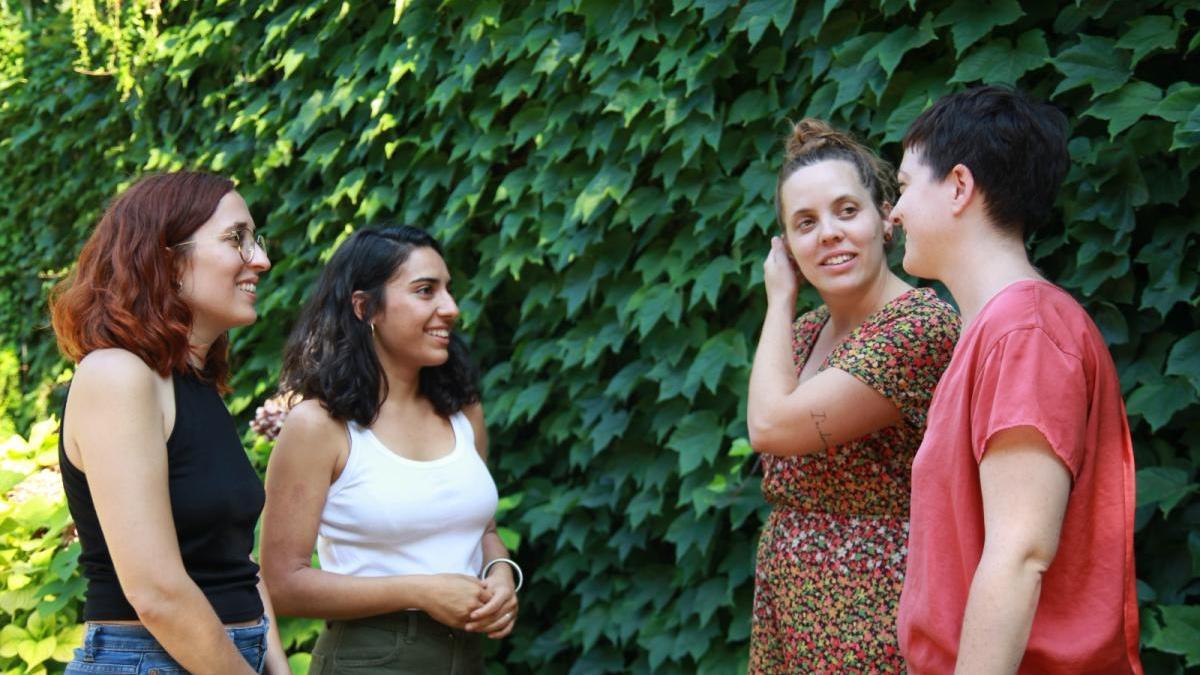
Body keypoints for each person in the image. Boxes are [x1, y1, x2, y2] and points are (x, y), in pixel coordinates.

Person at [891, 86, 1143, 673]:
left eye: (904, 186)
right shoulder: (1000, 332)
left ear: (958, 186)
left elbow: (1019, 551)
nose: (894, 211)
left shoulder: (1025, 334)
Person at [49, 172, 288, 674]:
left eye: (255, 241)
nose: (260, 260)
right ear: (167, 259)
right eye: (236, 239)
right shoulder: (117, 375)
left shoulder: (193, 385)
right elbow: (154, 591)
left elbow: (235, 563)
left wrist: (276, 667)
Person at [746, 119, 959, 672]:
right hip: (789, 605)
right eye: (805, 223)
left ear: (886, 217)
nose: (829, 234)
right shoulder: (804, 333)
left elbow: (769, 428)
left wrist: (776, 301)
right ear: (787, 246)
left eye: (847, 211)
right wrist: (787, 314)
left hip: (875, 614)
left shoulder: (917, 328)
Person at [260, 226, 519, 675]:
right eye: (425, 291)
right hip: (370, 658)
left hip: (468, 658)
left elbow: (483, 528)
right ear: (365, 307)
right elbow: (283, 583)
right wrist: (419, 591)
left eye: (448, 290)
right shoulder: (319, 426)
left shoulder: (462, 411)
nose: (451, 308)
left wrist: (500, 573)